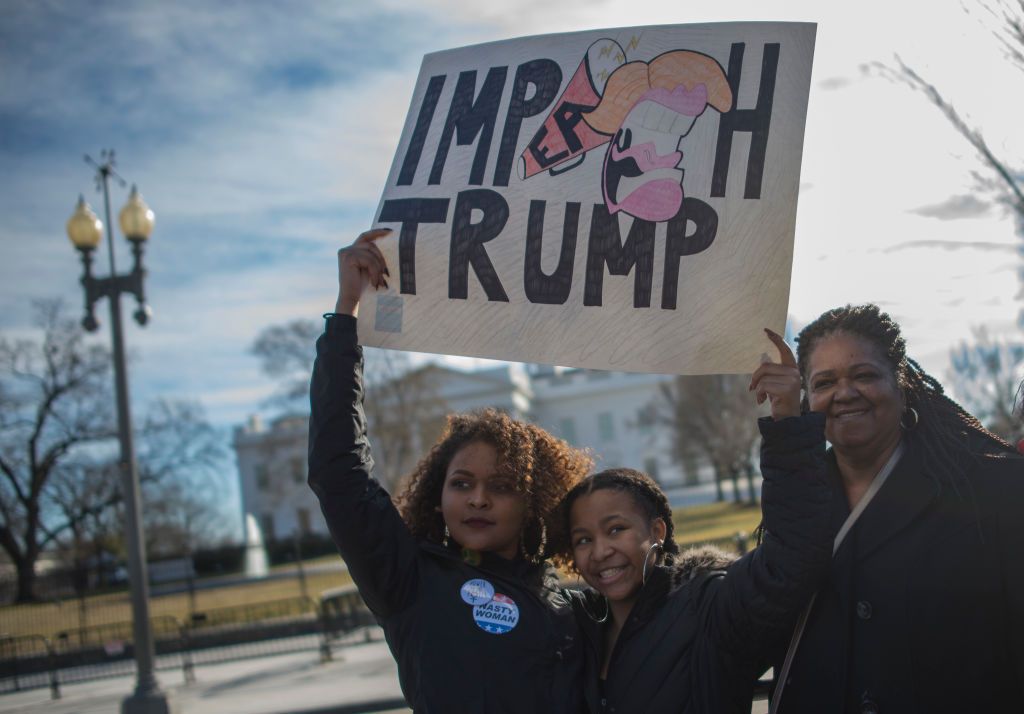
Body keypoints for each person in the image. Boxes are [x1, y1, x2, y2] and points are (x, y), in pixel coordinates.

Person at [308, 229, 593, 713]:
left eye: (501, 487)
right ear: (437, 495)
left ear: (532, 505)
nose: (478, 499)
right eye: (462, 483)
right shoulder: (408, 578)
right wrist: (346, 315)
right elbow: (339, 472)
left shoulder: (572, 605)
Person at [555, 330, 834, 714]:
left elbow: (791, 558)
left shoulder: (707, 605)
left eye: (616, 529)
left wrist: (788, 420)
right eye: (583, 539)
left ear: (656, 530)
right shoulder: (576, 628)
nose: (600, 551)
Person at [771, 303, 1024, 714]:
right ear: (807, 399)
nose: (845, 393)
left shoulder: (997, 489)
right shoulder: (795, 501)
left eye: (865, 375)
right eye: (824, 382)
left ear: (902, 385)